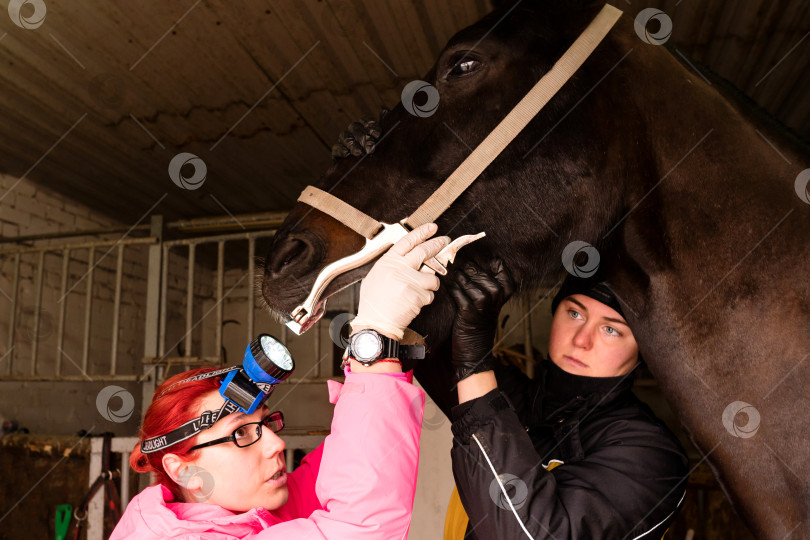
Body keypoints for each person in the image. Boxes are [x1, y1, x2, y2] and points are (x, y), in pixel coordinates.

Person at [110, 223, 449, 539]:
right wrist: (375, 341)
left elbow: (343, 471)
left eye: (265, 423)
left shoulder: (242, 512)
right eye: (240, 432)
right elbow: (358, 527)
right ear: (184, 472)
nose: (276, 445)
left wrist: (380, 352)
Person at [444, 261, 689, 539]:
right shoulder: (512, 396)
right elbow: (426, 345)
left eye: (611, 329)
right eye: (574, 313)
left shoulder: (652, 456)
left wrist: (473, 366)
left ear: (643, 351)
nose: (582, 339)